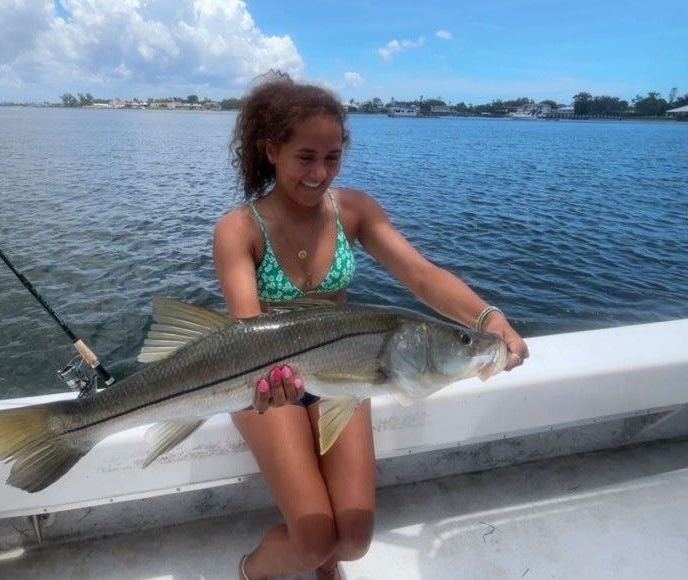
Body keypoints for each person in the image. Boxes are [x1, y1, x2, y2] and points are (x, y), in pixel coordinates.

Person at [212, 73, 529, 580]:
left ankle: (323, 558)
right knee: (315, 540)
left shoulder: (354, 210)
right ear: (271, 149)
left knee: (355, 540)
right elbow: (247, 330)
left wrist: (490, 318)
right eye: (305, 158)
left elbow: (421, 275)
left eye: (332, 157)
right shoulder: (238, 229)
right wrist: (270, 384)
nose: (319, 173)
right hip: (269, 384)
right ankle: (254, 570)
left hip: (345, 375)